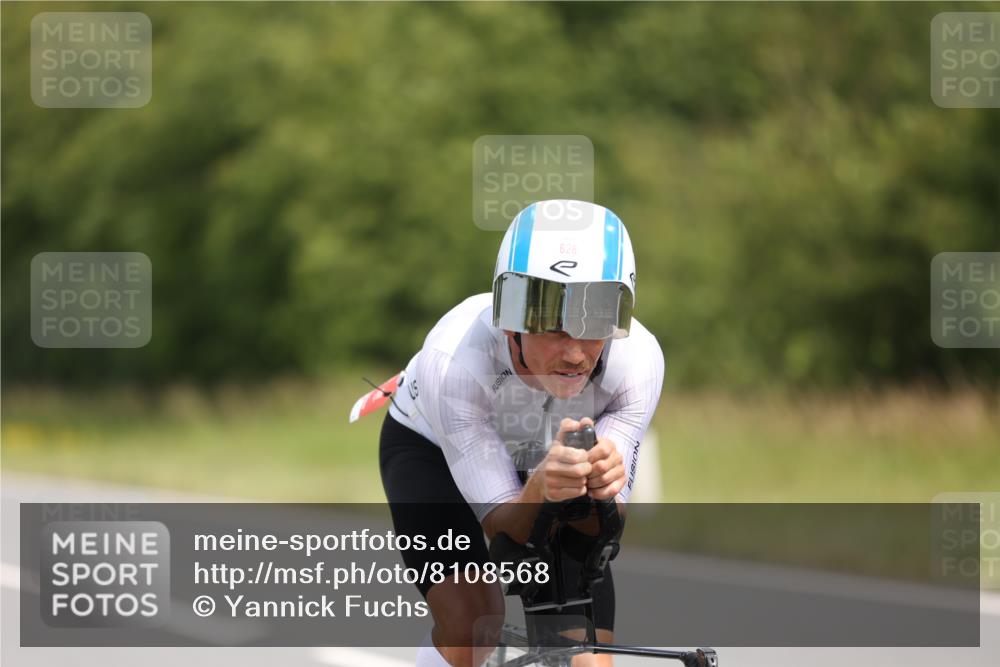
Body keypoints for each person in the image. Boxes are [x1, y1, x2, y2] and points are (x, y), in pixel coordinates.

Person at [379, 200, 664, 667]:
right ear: (510, 316)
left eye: (595, 320)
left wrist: (604, 493)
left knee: (585, 659)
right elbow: (505, 532)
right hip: (431, 450)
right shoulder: (453, 363)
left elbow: (599, 532)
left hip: (548, 460)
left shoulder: (639, 362)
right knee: (473, 626)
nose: (574, 352)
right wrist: (541, 487)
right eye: (551, 321)